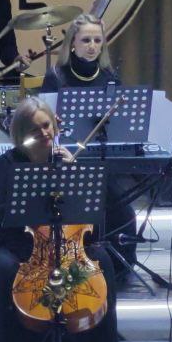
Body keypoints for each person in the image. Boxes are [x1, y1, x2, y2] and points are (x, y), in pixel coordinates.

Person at [0, 97, 135, 342]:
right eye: (35, 130)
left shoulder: (65, 160)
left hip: (65, 242)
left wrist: (75, 173)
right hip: (13, 243)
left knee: (103, 259)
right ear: (21, 133)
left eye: (47, 126)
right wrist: (23, 211)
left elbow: (96, 211)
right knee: (1, 268)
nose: (44, 133)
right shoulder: (8, 163)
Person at [40, 14, 140, 281]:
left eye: (97, 40)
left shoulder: (109, 77)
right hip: (66, 162)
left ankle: (120, 270)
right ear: (73, 44)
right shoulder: (56, 77)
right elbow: (44, 126)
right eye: (86, 40)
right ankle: (77, 262)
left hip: (100, 159)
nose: (92, 46)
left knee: (123, 210)